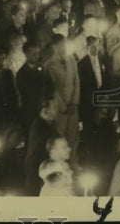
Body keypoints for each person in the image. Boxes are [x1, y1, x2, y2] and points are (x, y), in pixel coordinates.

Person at [44, 34, 81, 164]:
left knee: (74, 137)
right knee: (60, 137)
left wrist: (74, 102)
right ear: (54, 46)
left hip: (73, 105)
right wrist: (63, 106)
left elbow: (76, 81)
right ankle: (60, 165)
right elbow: (53, 88)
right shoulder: (49, 65)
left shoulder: (71, 59)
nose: (63, 47)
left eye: (64, 44)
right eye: (61, 45)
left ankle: (73, 164)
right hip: (60, 108)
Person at [25, 95, 59, 194]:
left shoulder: (47, 124)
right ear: (45, 111)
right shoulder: (39, 126)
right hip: (38, 174)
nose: (57, 109)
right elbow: (40, 153)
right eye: (54, 107)